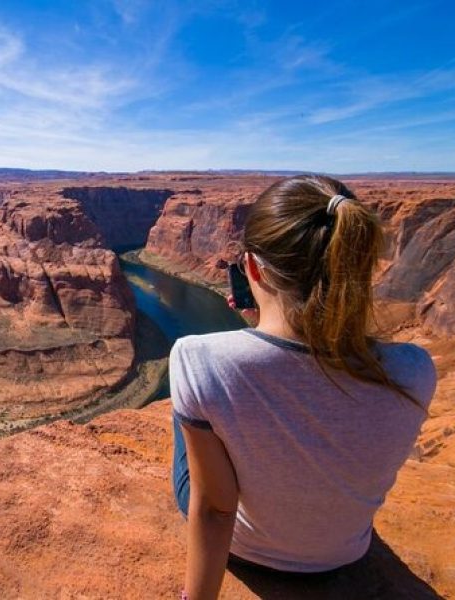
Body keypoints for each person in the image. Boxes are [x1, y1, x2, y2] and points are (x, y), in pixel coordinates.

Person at [170, 174, 436, 600]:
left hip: (246, 550)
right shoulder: (416, 369)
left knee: (195, 404)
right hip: (345, 554)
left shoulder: (200, 357)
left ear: (252, 268)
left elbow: (217, 510)